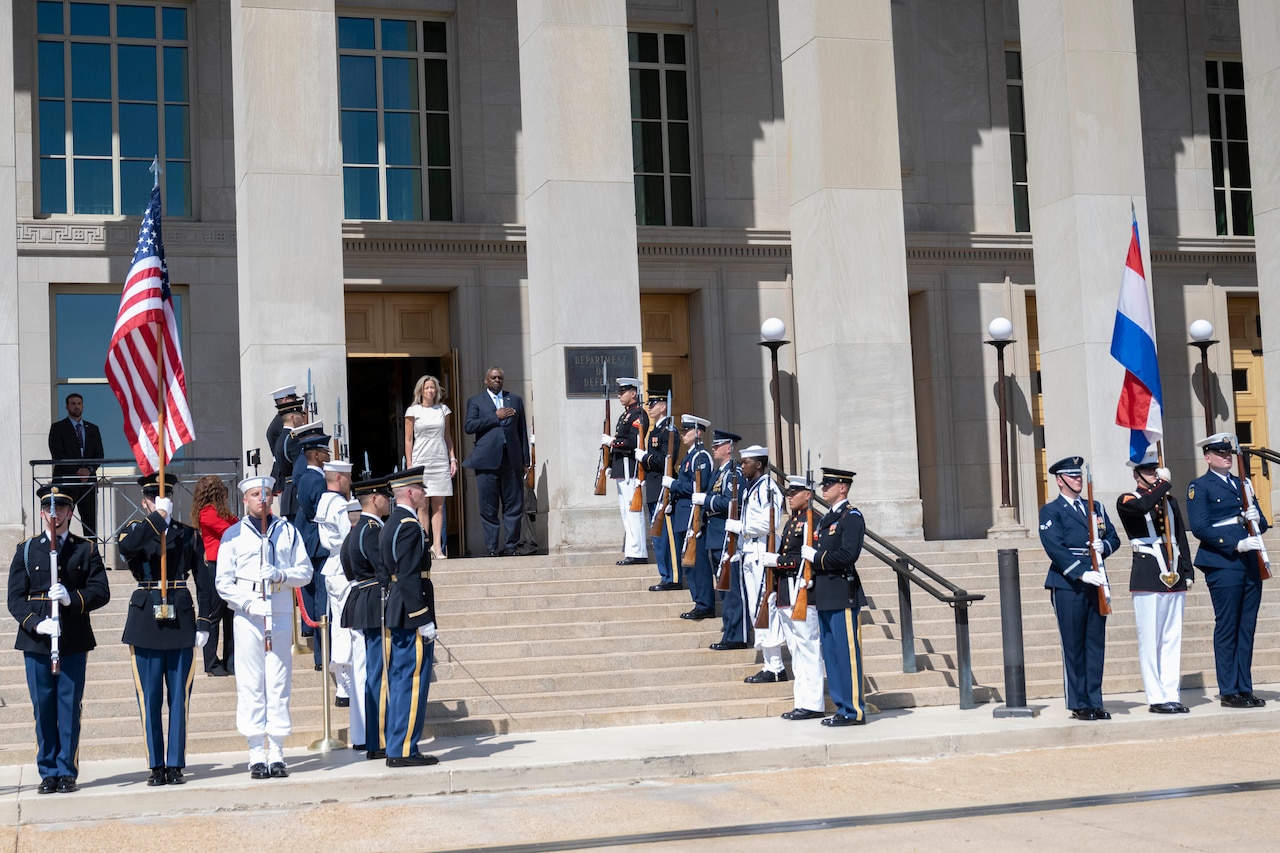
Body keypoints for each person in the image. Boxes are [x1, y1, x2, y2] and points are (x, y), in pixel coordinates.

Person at [7, 485, 110, 794]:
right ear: (42, 513)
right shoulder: (26, 550)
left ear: (70, 512)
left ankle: (66, 771)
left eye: (61, 509)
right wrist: (36, 625)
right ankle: (47, 771)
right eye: (49, 509)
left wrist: (71, 598)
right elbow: (14, 598)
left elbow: (101, 591)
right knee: (43, 707)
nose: (55, 514)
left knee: (68, 706)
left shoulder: (85, 549)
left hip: (73, 637)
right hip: (36, 640)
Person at [215, 476, 313, 779]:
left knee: (278, 682)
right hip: (248, 614)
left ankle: (277, 751)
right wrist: (246, 603)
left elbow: (305, 572)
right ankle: (256, 750)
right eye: (256, 494)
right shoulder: (233, 535)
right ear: (245, 500)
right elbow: (223, 582)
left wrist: (281, 575)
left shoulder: (288, 532)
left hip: (280, 609)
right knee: (251, 683)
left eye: (266, 494)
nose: (262, 499)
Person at [116, 472, 204, 786]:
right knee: (149, 697)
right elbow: (128, 550)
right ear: (145, 502)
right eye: (153, 498)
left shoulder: (188, 534)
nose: (159, 502)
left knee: (179, 697)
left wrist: (205, 621)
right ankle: (156, 764)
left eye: (164, 498)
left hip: (179, 618)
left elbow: (204, 582)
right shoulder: (134, 532)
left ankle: (175, 763)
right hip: (145, 622)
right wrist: (158, 518)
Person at [1186, 432, 1269, 709]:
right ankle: (1228, 689)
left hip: (1250, 562)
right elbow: (1200, 527)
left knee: (1247, 627)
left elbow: (1263, 523)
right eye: (1220, 453)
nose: (1226, 457)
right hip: (1223, 562)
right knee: (1228, 625)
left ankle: (1244, 687)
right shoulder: (1200, 486)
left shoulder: (1243, 483)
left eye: (1228, 453)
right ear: (1208, 457)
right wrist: (1236, 543)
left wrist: (1257, 518)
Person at [1039, 456, 1120, 721]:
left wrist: (1104, 547)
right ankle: (1078, 703)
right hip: (1068, 584)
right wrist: (1081, 572)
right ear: (1060, 480)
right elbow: (1055, 547)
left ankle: (1094, 700)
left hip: (1096, 580)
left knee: (1095, 644)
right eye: (1072, 476)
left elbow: (1113, 537)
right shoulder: (1051, 511)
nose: (1078, 480)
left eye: (1079, 476)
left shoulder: (1095, 506)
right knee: (1074, 645)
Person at [1114, 449, 1193, 714]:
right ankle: (1156, 697)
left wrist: (1188, 571)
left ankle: (1171, 693)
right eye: (1149, 471)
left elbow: (1180, 536)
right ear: (1137, 475)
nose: (1155, 474)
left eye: (1156, 470)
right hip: (1148, 573)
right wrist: (1163, 484)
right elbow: (1142, 506)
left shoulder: (1169, 501)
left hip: (1173, 571)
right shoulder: (1127, 499)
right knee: (1150, 639)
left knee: (1172, 638)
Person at [379, 468, 440, 767]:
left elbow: (386, 573)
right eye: (421, 488)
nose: (425, 493)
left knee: (401, 679)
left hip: (399, 608)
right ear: (409, 492)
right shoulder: (408, 525)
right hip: (410, 612)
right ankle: (404, 749)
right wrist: (422, 617)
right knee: (411, 681)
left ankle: (398, 745)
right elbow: (408, 575)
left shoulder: (392, 523)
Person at [802, 467, 868, 726]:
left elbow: (848, 555)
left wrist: (816, 558)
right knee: (831, 654)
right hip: (825, 593)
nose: (823, 488)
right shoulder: (825, 518)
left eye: (829, 484)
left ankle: (854, 711)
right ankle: (841, 708)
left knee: (846, 654)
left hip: (842, 592)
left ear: (843, 487)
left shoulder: (851, 517)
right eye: (823, 484)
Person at [765, 474, 826, 720]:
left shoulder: (815, 520)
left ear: (808, 495)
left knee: (808, 646)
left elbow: (809, 558)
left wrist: (779, 561)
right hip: (786, 590)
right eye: (789, 493)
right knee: (795, 648)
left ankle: (812, 703)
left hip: (803, 589)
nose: (789, 496)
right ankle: (803, 700)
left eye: (795, 493)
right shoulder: (793, 522)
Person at [341, 474, 392, 758]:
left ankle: (375, 738)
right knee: (379, 672)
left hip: (364, 597)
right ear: (374, 499)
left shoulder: (356, 529)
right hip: (376, 602)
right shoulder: (372, 530)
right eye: (385, 496)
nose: (389, 500)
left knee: (374, 671)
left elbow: (349, 567)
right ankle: (378, 740)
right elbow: (382, 569)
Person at [314, 460, 363, 735]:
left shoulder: (325, 501)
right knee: (347, 625)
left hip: (334, 566)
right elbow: (348, 534)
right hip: (343, 566)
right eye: (348, 477)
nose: (350, 481)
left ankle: (344, 680)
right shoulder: (337, 504)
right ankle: (345, 683)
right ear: (340, 478)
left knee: (339, 623)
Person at [462, 367, 530, 557]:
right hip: (486, 462)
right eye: (493, 378)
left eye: (500, 377)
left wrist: (525, 459)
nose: (497, 380)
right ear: (486, 381)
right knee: (488, 507)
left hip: (511, 460)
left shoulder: (514, 399)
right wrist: (495, 416)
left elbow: (522, 431)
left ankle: (511, 546)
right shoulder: (476, 401)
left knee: (513, 505)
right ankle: (492, 548)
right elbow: (469, 426)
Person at [738, 446, 786, 683]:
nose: (742, 466)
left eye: (746, 462)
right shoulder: (752, 488)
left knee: (765, 606)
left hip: (762, 550)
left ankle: (775, 667)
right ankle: (771, 664)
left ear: (758, 464)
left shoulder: (768, 488)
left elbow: (771, 522)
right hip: (750, 549)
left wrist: (743, 526)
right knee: (757, 609)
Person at [404, 374, 458, 559]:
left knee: (439, 505)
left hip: (440, 459)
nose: (430, 391)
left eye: (433, 387)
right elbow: (408, 439)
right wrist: (410, 464)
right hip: (421, 460)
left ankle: (437, 546)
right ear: (421, 390)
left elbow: (448, 436)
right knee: (423, 504)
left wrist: (453, 459)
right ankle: (423, 546)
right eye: (427, 388)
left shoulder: (443, 410)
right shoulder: (413, 411)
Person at [292, 422, 332, 669]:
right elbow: (320, 513)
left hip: (312, 542)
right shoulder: (315, 481)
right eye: (326, 452)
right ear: (316, 455)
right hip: (318, 544)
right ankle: (322, 656)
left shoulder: (307, 477)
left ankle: (322, 654)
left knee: (319, 599)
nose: (329, 455)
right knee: (322, 601)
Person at [190, 475, 237, 676]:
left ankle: (231, 660)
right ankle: (211, 662)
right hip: (215, 566)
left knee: (230, 614)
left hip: (229, 566)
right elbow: (231, 529)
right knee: (214, 614)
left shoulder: (220, 512)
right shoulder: (207, 513)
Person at [704, 432, 746, 650]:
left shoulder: (733, 473)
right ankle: (730, 631)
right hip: (715, 535)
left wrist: (707, 500)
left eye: (718, 445)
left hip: (725, 536)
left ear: (729, 447)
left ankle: (736, 635)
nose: (714, 448)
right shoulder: (717, 472)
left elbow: (731, 501)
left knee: (730, 590)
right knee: (723, 589)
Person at [668, 415, 714, 619]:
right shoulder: (690, 456)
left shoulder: (701, 457)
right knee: (688, 564)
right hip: (683, 514)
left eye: (686, 431)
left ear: (697, 432)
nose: (682, 434)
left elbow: (699, 487)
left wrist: (674, 485)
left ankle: (705, 604)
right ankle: (699, 601)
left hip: (692, 516)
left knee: (698, 565)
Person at [602, 378, 649, 566]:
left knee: (633, 510)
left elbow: (632, 442)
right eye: (619, 392)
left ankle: (638, 553)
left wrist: (612, 442)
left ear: (634, 393)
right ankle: (632, 550)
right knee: (625, 511)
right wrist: (611, 464)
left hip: (630, 467)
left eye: (623, 392)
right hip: (622, 467)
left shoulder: (638, 414)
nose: (619, 395)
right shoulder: (626, 415)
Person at [47, 393, 105, 541]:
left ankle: (93, 558)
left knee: (90, 524)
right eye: (73, 404)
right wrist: (77, 471)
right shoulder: (58, 428)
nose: (76, 406)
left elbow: (99, 454)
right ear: (67, 407)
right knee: (62, 520)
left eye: (79, 403)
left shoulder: (93, 429)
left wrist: (89, 470)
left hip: (88, 484)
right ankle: (60, 558)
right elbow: (57, 454)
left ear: (83, 406)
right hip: (66, 483)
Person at [637, 393, 680, 591]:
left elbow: (665, 460)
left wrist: (645, 457)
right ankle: (665, 575)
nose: (650, 408)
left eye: (653, 404)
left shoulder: (669, 432)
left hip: (664, 488)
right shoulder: (656, 430)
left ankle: (673, 577)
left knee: (665, 535)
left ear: (663, 407)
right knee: (657, 536)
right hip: (654, 487)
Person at [269, 397, 308, 519]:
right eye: (300, 414)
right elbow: (299, 470)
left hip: (288, 494)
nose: (302, 417)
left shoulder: (281, 438)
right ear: (292, 417)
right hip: (296, 496)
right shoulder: (293, 439)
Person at [265, 385, 301, 467]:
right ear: (285, 400)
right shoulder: (281, 423)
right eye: (294, 399)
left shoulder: (281, 420)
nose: (296, 402)